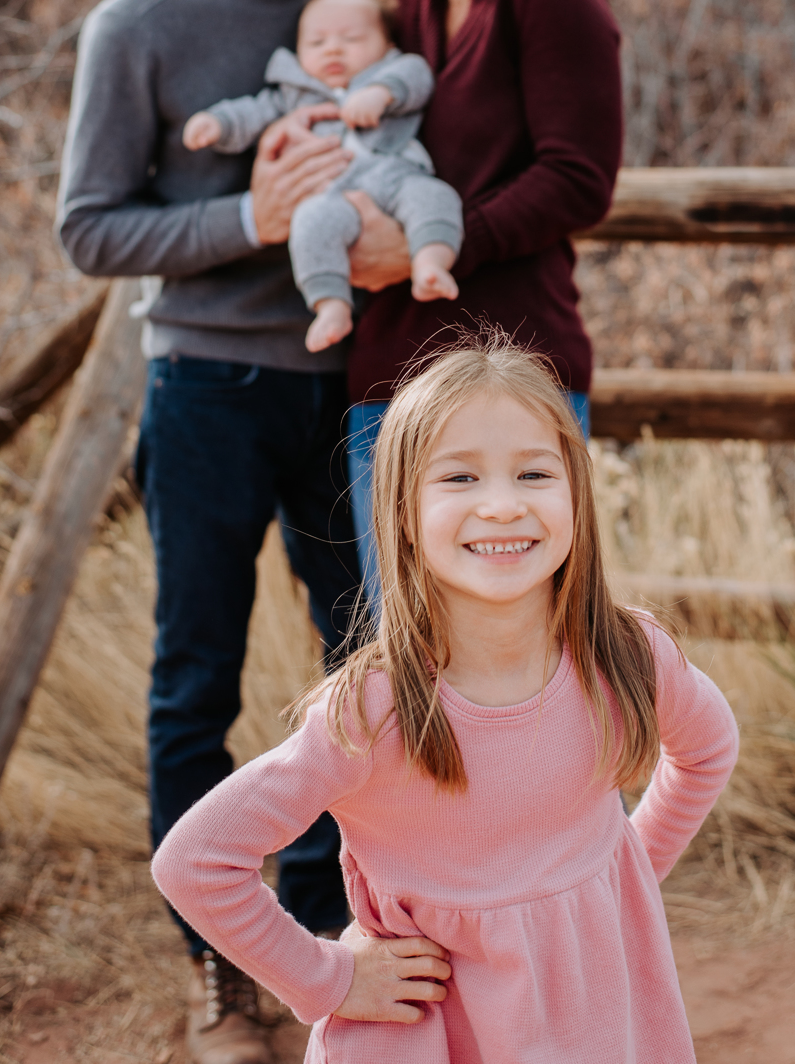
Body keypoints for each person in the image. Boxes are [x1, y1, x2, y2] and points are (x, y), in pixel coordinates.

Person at [56, 0, 398, 1064]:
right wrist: (247, 220)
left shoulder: (375, 1)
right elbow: (92, 229)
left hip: (352, 395)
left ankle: (330, 944)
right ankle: (220, 972)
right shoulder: (135, 27)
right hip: (202, 388)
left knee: (358, 679)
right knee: (191, 676)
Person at [151, 337, 740, 1063]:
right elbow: (197, 861)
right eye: (459, 478)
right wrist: (328, 979)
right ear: (401, 512)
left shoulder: (628, 656)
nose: (501, 506)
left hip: (591, 1023)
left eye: (533, 473)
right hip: (423, 1033)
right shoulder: (374, 709)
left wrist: (629, 873)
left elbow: (709, 749)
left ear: (577, 498)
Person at [343, 0, 624, 613]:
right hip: (388, 386)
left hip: (515, 380)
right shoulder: (397, 10)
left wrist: (436, 241)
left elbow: (579, 179)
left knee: (520, 658)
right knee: (406, 667)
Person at [183, 0, 463, 353]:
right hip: (332, 196)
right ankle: (331, 305)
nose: (333, 48)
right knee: (309, 224)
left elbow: (417, 77)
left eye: (352, 39)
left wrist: (380, 93)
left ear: (387, 47)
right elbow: (254, 111)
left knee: (434, 196)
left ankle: (431, 261)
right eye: (317, 43)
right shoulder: (294, 93)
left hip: (396, 176)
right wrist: (217, 124)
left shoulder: (391, 73)